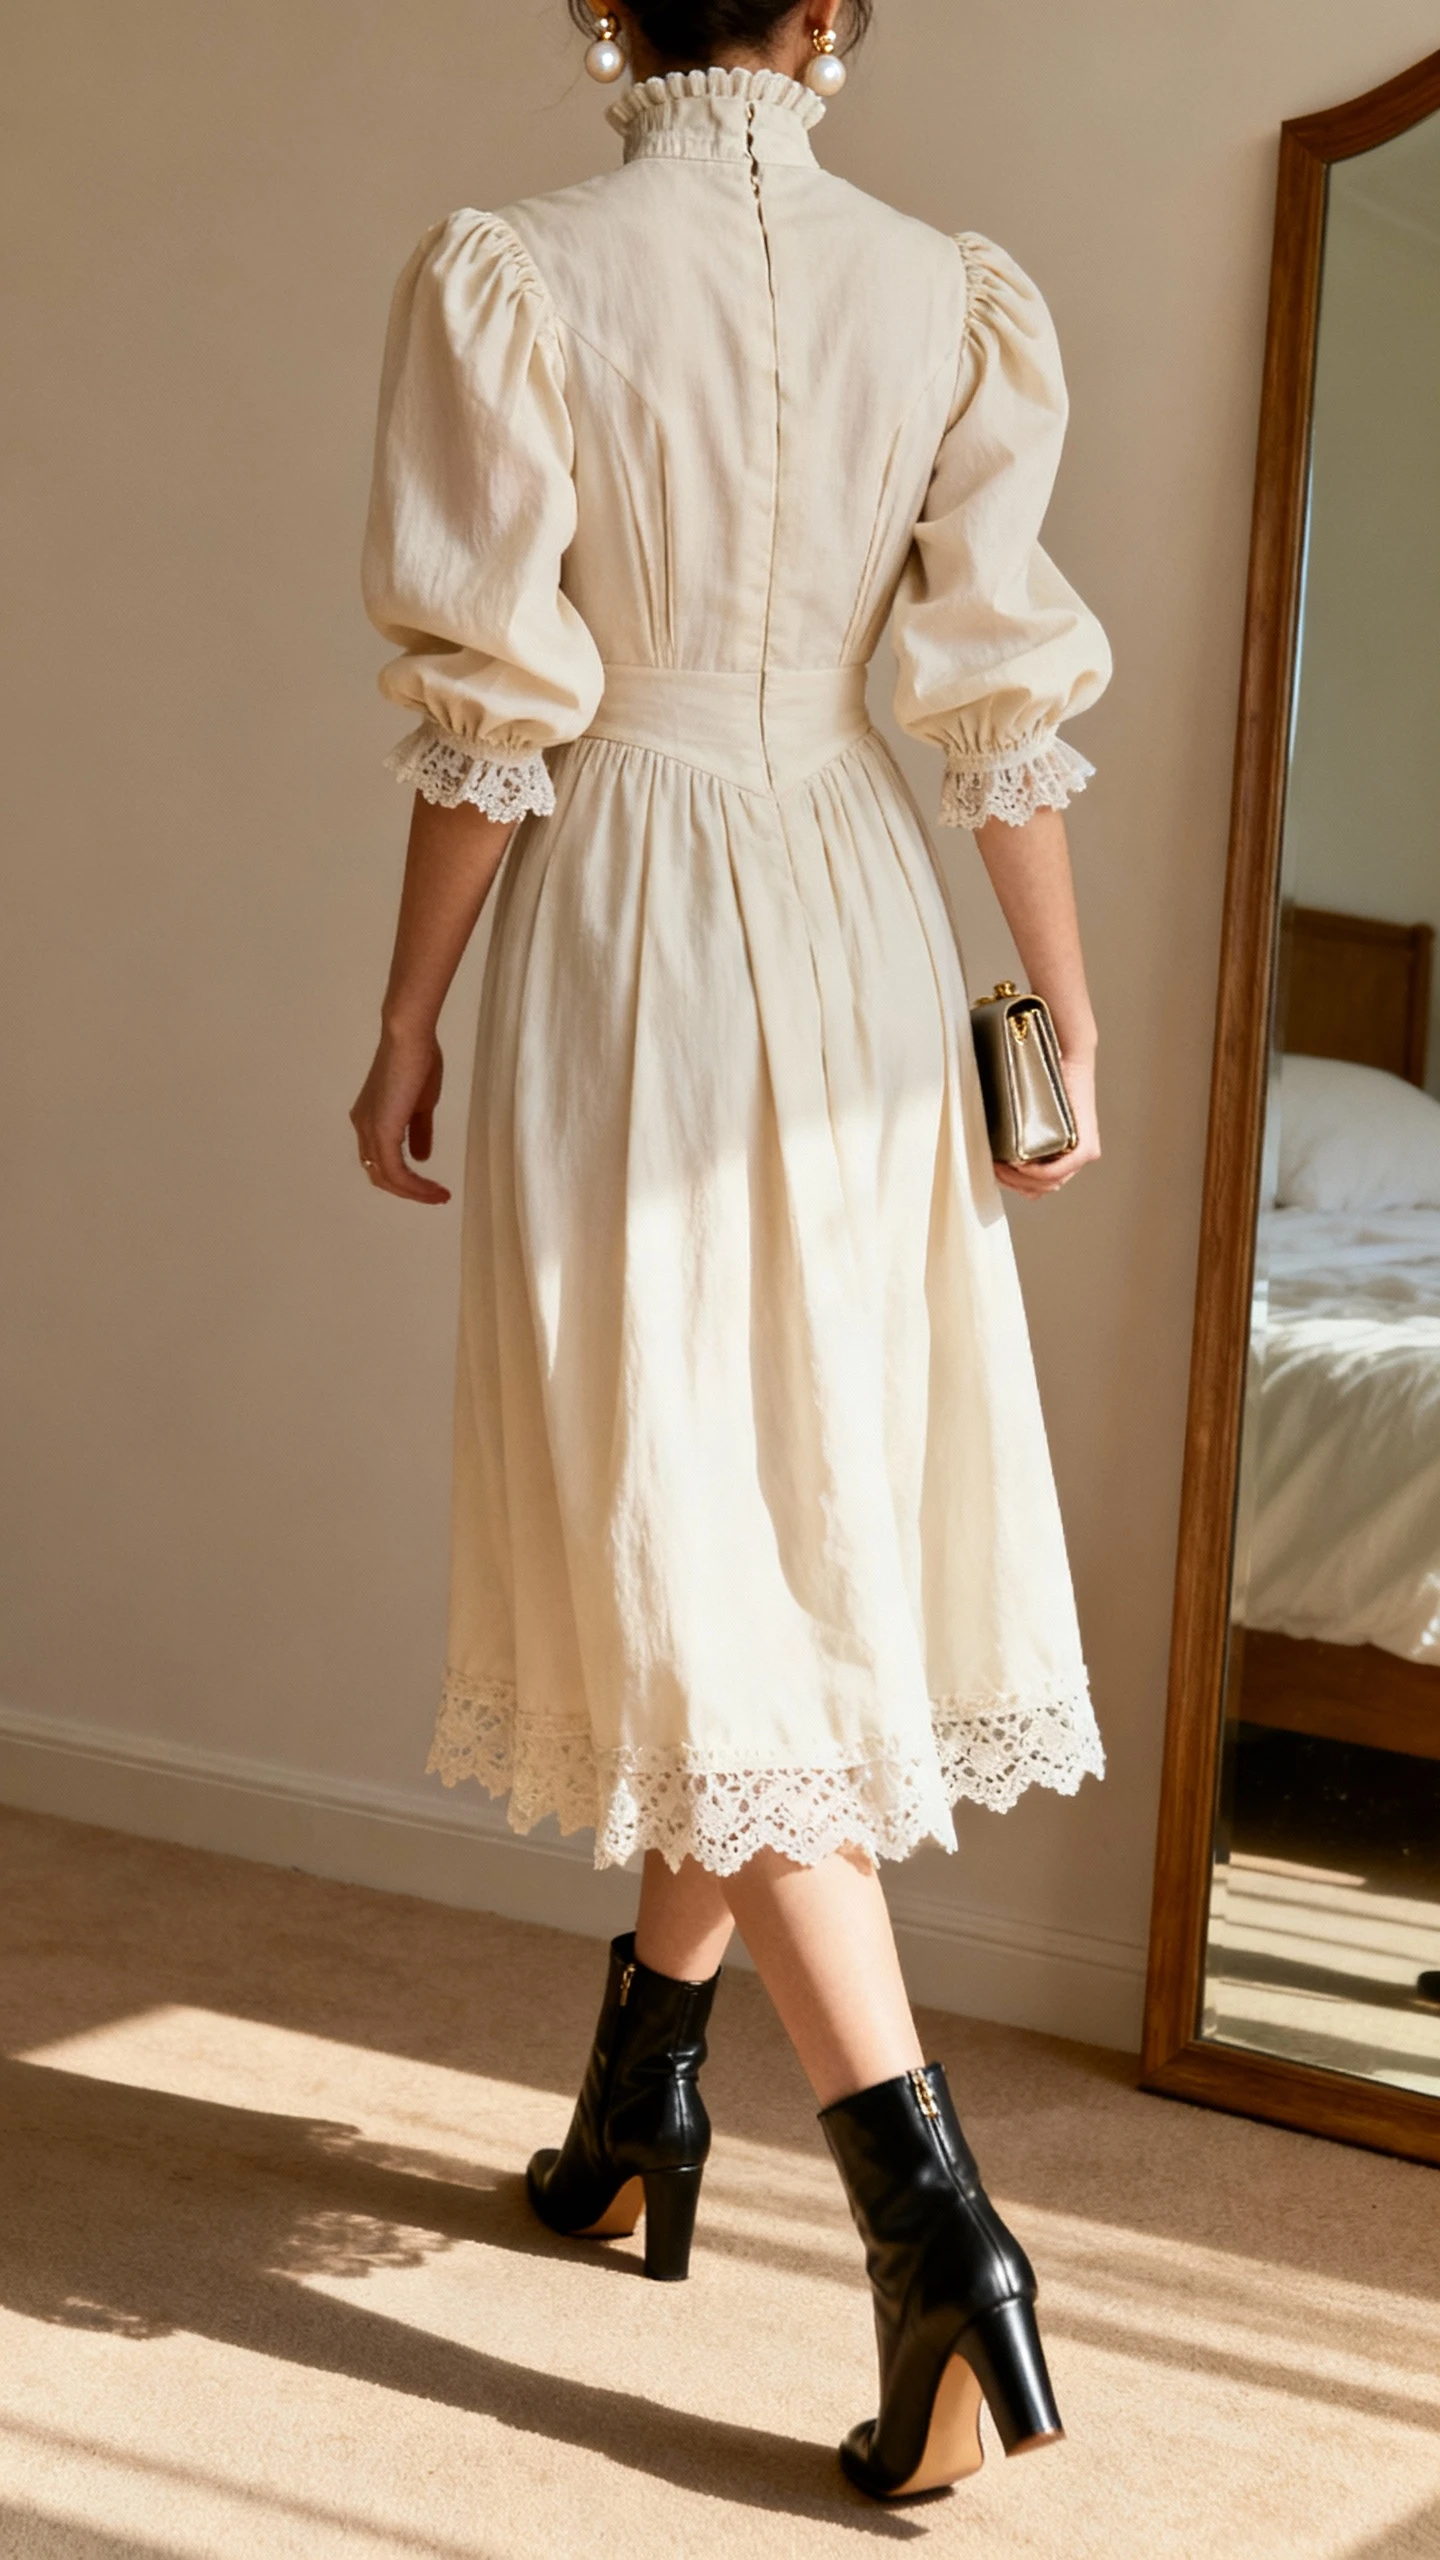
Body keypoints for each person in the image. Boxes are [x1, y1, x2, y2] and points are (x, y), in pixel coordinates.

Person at [351, 0, 1110, 2503]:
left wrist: (408, 1011)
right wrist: (1060, 1020)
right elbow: (992, 703)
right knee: (752, 1523)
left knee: (694, 1530)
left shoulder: (517, 272)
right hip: (863, 912)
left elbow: (499, 705)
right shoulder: (947, 291)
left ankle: (938, 2229)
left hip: (635, 920)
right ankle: (634, 2103)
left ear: (608, 2)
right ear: (833, 17)